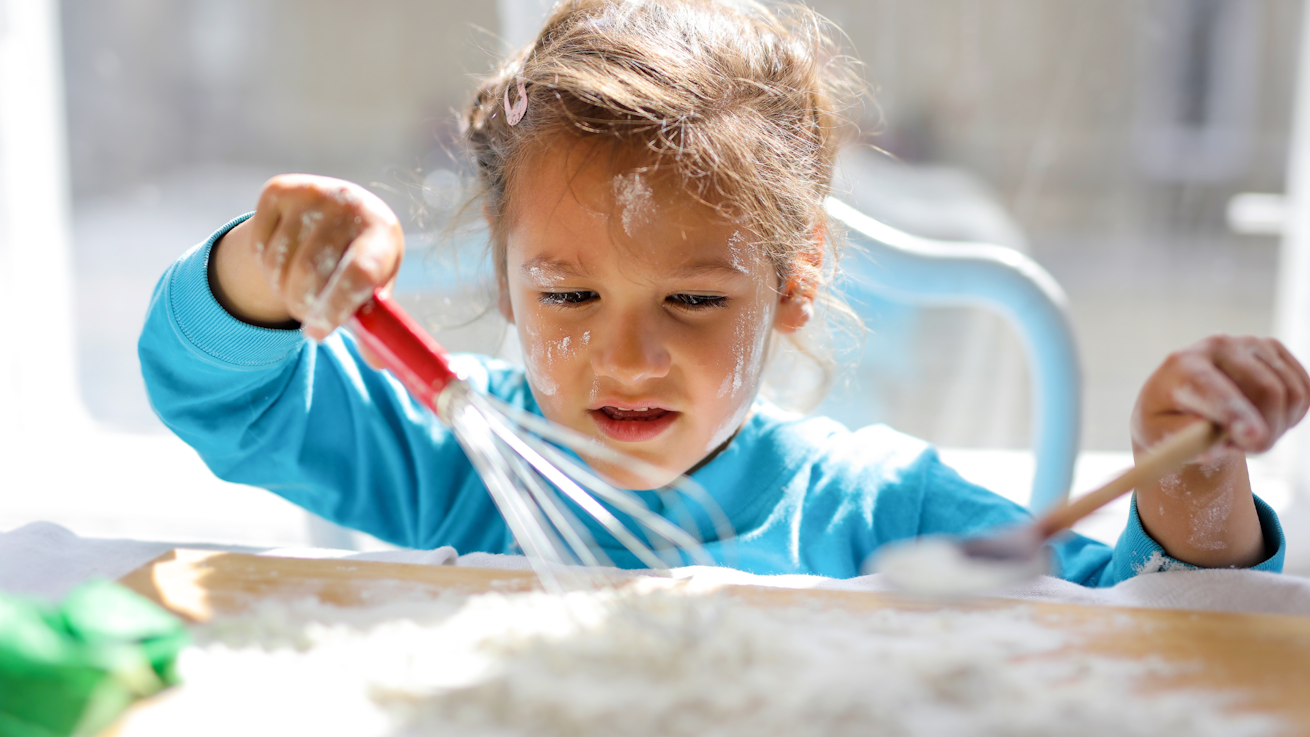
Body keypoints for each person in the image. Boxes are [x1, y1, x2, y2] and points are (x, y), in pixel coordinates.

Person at [139, 0, 1307, 583]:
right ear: (503, 276)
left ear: (793, 282)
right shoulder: (456, 462)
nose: (628, 356)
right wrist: (266, 265)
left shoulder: (881, 511)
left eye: (692, 302)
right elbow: (222, 395)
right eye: (567, 297)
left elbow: (1129, 625)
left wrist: (1195, 487)